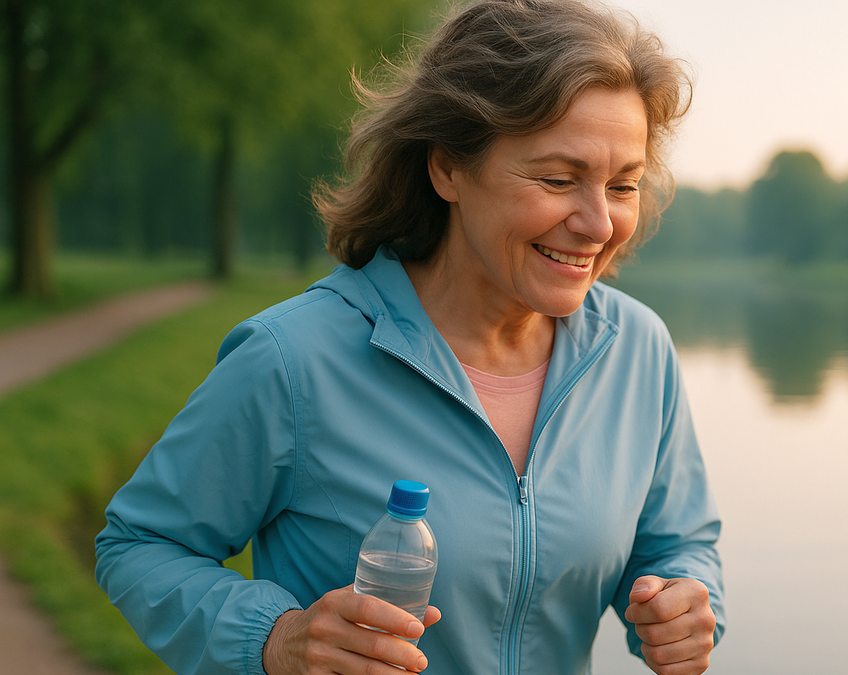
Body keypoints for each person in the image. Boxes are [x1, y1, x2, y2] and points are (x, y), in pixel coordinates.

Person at [94, 0, 724, 673]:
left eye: (623, 185)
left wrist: (685, 600)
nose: (599, 223)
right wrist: (277, 637)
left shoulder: (638, 351)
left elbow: (677, 544)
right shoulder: (293, 358)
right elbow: (140, 543)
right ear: (449, 166)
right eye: (558, 179)